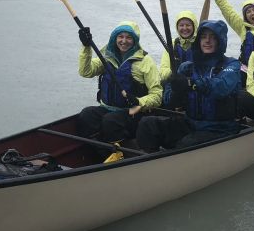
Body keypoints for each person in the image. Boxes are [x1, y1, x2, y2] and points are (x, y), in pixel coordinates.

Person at [136, 20, 241, 152]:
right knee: (147, 124)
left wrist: (191, 83)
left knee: (186, 144)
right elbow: (168, 100)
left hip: (220, 128)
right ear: (198, 41)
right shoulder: (187, 67)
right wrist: (175, 90)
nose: (207, 41)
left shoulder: (232, 65)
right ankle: (149, 161)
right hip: (190, 123)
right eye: (203, 37)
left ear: (221, 41)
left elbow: (221, 88)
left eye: (212, 37)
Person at [77, 21, 162, 143]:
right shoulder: (107, 57)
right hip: (107, 108)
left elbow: (157, 95)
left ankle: (121, 150)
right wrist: (86, 47)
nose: (124, 41)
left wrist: (139, 102)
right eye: (120, 37)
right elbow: (86, 72)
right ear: (114, 38)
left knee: (110, 121)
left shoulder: (145, 61)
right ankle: (99, 150)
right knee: (86, 115)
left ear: (135, 41)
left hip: (133, 112)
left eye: (129, 37)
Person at [203, 0, 254, 82]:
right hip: (246, 69)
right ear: (245, 16)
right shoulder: (243, 27)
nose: (252, 13)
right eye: (248, 12)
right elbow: (228, 11)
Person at [159, 10, 198, 83]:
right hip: (176, 85)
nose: (184, 28)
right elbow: (163, 71)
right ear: (177, 27)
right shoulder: (172, 44)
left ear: (194, 26)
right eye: (181, 25)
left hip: (196, 84)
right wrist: (174, 73)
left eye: (188, 25)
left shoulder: (200, 43)